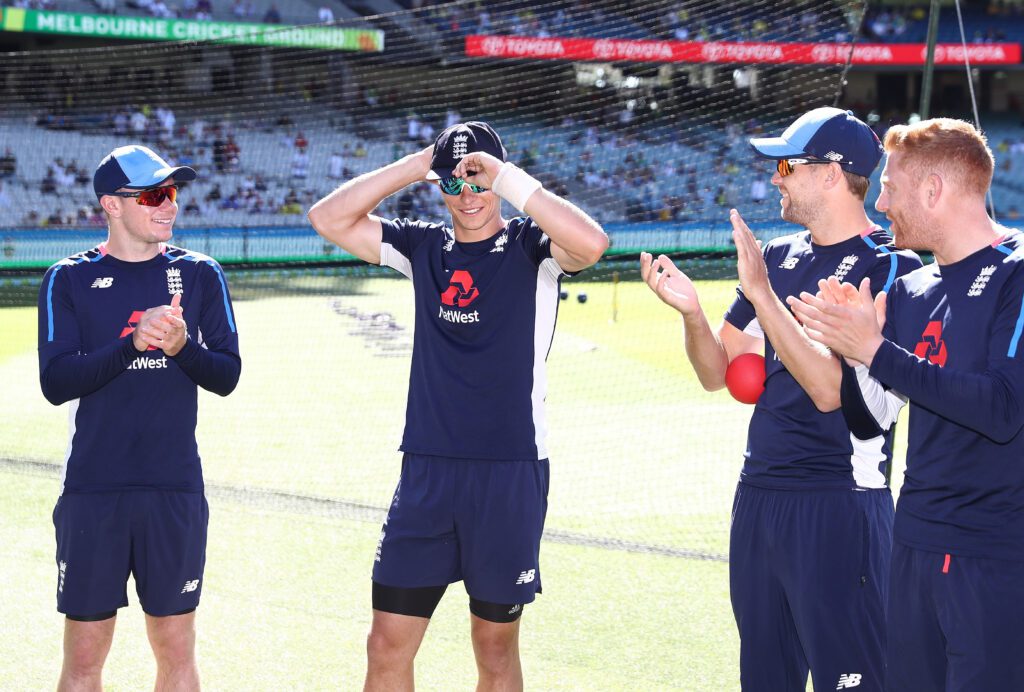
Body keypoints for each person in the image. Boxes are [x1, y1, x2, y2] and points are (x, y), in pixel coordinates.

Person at [308, 121, 607, 691]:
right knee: (385, 643)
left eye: (480, 182)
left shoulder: (532, 246)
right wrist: (421, 163)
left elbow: (592, 245)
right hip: (426, 472)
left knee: (493, 648)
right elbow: (328, 219)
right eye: (455, 184)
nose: (468, 196)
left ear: (501, 182)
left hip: (509, 471)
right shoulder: (422, 247)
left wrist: (509, 180)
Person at [640, 107, 921, 691]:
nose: (775, 178)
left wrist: (762, 295)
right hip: (760, 497)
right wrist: (692, 312)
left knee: (854, 680)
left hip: (839, 503)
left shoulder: (891, 266)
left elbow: (830, 393)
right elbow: (718, 372)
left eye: (787, 165)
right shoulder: (779, 255)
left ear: (831, 174)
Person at [788, 118, 1024, 691]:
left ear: (934, 191)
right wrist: (856, 358)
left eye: (891, 186)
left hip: (992, 555)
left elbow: (1001, 408)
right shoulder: (912, 289)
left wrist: (874, 349)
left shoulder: (1016, 272)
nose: (882, 200)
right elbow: (870, 422)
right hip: (913, 542)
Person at [37, 145, 241, 690]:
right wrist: (132, 343)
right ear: (111, 205)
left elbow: (226, 375)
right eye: (153, 195)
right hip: (93, 489)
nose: (168, 206)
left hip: (173, 487)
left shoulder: (200, 274)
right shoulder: (67, 278)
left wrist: (182, 348)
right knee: (83, 661)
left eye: (171, 193)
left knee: (176, 653)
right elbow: (56, 383)